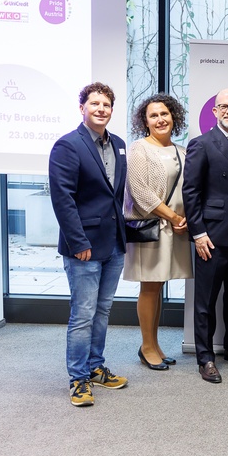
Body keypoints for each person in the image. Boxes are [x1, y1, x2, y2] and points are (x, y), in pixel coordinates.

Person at [49, 82, 129, 407]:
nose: (100, 109)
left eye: (106, 104)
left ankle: (95, 367)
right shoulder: (68, 146)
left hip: (114, 245)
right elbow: (62, 199)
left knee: (103, 310)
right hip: (83, 246)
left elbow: (117, 196)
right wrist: (77, 240)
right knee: (83, 314)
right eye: (94, 103)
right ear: (81, 108)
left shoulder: (120, 145)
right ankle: (78, 379)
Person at [182, 88, 228, 384]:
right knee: (206, 301)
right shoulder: (201, 144)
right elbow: (191, 192)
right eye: (223, 106)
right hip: (211, 236)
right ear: (214, 111)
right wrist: (198, 233)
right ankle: (205, 357)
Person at [123, 93, 193, 371]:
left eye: (165, 113)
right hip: (153, 228)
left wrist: (184, 219)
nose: (160, 119)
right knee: (149, 287)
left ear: (173, 117)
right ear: (145, 121)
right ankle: (146, 347)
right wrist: (174, 216)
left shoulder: (181, 150)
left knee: (159, 285)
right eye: (154, 115)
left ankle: (154, 345)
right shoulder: (139, 149)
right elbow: (140, 193)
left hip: (174, 230)